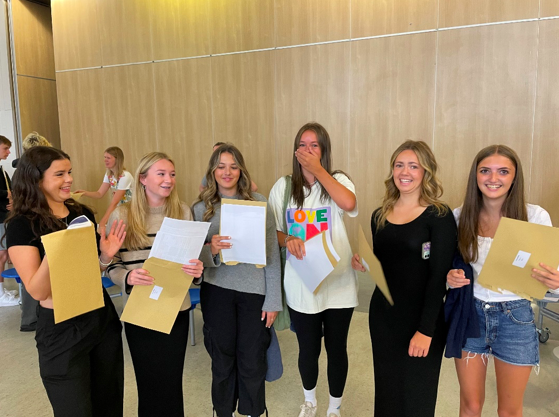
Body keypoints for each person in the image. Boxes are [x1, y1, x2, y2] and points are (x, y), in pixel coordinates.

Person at [5, 146, 126, 416]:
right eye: (59, 174)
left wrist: (106, 257)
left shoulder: (81, 214)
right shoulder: (22, 225)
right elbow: (37, 291)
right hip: (61, 329)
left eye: (69, 172)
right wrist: (57, 251)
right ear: (36, 179)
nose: (69, 179)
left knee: (109, 404)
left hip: (99, 318)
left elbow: (90, 272)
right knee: (74, 409)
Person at [446, 145, 559, 417]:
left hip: (515, 318)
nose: (493, 178)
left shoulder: (535, 216)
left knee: (509, 411)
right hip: (470, 313)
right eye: (485, 170)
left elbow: (552, 274)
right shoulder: (460, 216)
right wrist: (449, 277)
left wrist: (554, 281)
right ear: (475, 175)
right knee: (470, 406)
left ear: (514, 177)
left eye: (503, 171)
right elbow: (446, 266)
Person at [351, 140, 456, 417]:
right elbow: (386, 264)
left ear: (426, 172)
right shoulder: (379, 215)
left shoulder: (439, 216)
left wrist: (425, 330)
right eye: (399, 165)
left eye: (413, 166)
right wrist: (364, 262)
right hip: (384, 316)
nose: (405, 172)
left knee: (417, 396)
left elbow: (437, 278)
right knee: (387, 392)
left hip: (422, 318)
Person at [268, 122, 358, 417]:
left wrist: (319, 171)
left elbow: (349, 203)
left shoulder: (338, 179)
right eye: (302, 145)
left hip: (338, 283)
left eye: (314, 145)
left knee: (337, 348)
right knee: (308, 349)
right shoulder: (283, 187)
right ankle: (310, 402)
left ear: (324, 150)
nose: (307, 150)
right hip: (302, 282)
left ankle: (334, 408)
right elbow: (273, 231)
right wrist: (288, 239)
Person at [106, 152, 203, 417]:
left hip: (176, 308)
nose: (168, 180)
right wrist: (127, 277)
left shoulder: (183, 212)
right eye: (161, 174)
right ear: (142, 178)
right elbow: (110, 263)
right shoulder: (122, 214)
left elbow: (193, 263)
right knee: (148, 383)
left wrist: (197, 272)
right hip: (140, 311)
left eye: (172, 174)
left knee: (171, 382)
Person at [192, 143, 281, 417]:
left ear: (241, 170)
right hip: (216, 290)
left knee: (252, 358)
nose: (227, 172)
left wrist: (273, 300)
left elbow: (271, 254)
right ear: (212, 171)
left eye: (233, 166)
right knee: (221, 359)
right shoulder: (200, 209)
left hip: (254, 292)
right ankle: (223, 411)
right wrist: (211, 250)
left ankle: (254, 411)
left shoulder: (259, 202)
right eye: (221, 166)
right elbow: (194, 260)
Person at [76, 146, 133, 228]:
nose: (105, 160)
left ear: (117, 159)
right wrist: (84, 193)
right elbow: (99, 194)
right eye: (105, 157)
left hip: (131, 210)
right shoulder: (109, 175)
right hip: (121, 210)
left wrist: (103, 222)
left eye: (108, 158)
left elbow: (115, 202)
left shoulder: (125, 176)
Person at [0, 135, 17, 306]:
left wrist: (12, 200)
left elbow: (10, 189)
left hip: (3, 217)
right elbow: (6, 191)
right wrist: (7, 194)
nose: (8, 152)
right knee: (1, 255)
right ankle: (0, 295)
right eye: (5, 148)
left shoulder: (2, 171)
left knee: (3, 254)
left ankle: (2, 290)